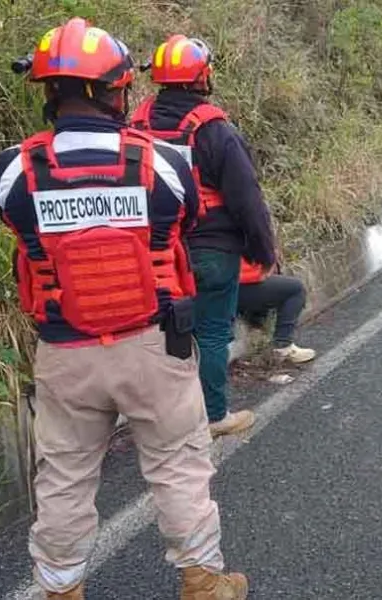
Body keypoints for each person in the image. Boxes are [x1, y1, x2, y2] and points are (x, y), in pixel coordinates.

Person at [0, 18, 248, 598]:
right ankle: (203, 583)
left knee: (63, 476)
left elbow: (16, 224)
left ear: (48, 92)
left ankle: (61, 589)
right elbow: (186, 221)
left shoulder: (14, 169)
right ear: (118, 89)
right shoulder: (163, 162)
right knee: (180, 465)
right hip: (153, 345)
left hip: (65, 353)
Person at [130, 34, 277, 438]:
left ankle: (162, 416)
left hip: (152, 247)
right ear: (202, 76)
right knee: (212, 332)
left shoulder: (136, 125)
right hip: (211, 248)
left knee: (162, 332)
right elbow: (246, 198)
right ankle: (213, 416)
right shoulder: (214, 130)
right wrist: (263, 249)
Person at [237, 255, 316, 363]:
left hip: (214, 287)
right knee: (296, 289)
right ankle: (282, 345)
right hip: (236, 284)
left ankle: (258, 326)